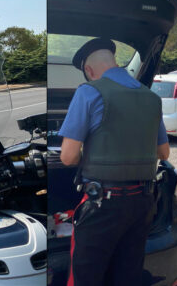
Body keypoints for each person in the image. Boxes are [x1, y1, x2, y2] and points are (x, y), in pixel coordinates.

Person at [59, 38, 170, 286]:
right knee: (127, 276)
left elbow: (67, 157)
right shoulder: (152, 98)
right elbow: (164, 153)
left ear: (88, 70)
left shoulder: (88, 91)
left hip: (103, 206)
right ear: (114, 61)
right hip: (143, 203)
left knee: (85, 279)